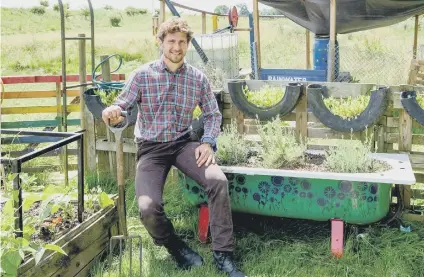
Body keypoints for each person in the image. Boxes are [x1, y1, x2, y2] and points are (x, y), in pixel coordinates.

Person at [101, 17, 246, 277]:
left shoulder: (197, 78)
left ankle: (223, 254)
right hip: (151, 149)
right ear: (160, 42)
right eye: (171, 41)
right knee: (147, 208)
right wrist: (113, 111)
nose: (176, 47)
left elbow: (213, 115)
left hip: (183, 144)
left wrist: (208, 142)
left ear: (188, 44)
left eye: (181, 42)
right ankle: (175, 246)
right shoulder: (143, 75)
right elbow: (122, 106)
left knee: (217, 180)